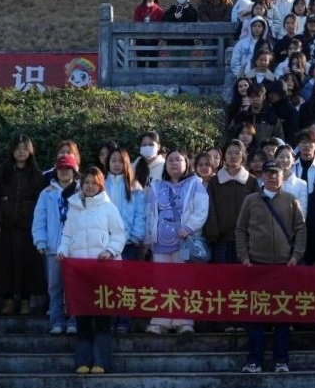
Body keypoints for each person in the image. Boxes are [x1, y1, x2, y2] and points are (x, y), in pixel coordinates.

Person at [236, 160, 307, 373]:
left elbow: (300, 228)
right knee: (255, 315)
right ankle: (254, 360)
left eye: (276, 173)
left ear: (282, 176)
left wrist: (296, 255)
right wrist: (244, 256)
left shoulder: (291, 199)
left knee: (282, 316)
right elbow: (241, 230)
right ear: (262, 177)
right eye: (268, 173)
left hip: (284, 266)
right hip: (257, 265)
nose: (272, 177)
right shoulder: (251, 200)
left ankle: (281, 360)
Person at [56, 167, 126, 375]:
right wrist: (62, 250)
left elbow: (119, 235)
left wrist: (110, 251)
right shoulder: (74, 207)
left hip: (103, 269)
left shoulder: (108, 208)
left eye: (94, 183)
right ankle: (83, 361)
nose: (89, 186)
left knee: (102, 317)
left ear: (100, 185)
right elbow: (67, 235)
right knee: (83, 317)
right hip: (80, 272)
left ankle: (101, 362)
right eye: (86, 182)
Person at [144, 149, 209, 335]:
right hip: (160, 244)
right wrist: (148, 238)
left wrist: (188, 228)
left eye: (178, 159)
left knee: (184, 282)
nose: (173, 163)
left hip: (183, 243)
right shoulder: (156, 186)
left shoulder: (195, 184)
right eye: (170, 160)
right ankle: (161, 321)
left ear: (186, 163)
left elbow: (202, 210)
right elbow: (149, 213)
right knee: (161, 282)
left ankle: (184, 321)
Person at [0, 135, 45, 316]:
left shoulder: (36, 174)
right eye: (18, 149)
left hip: (29, 228)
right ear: (12, 150)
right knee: (5, 265)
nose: (21, 152)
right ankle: (8, 301)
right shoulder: (2, 172)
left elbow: (41, 201)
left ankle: (26, 302)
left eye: (25, 149)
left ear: (30, 151)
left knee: (28, 265)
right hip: (6, 227)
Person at [32, 153, 81, 335]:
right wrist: (40, 241)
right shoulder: (47, 193)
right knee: (54, 287)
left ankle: (74, 321)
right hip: (53, 248)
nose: (64, 172)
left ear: (74, 171)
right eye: (61, 168)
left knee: (74, 286)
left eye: (68, 168)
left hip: (75, 248)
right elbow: (39, 219)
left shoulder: (81, 192)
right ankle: (57, 321)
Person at [105, 146, 146, 333]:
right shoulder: (101, 184)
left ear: (126, 163)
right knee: (107, 283)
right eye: (113, 160)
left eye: (120, 161)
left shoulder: (135, 186)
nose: (116, 164)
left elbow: (140, 214)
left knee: (126, 284)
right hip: (105, 243)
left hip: (128, 243)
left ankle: (123, 321)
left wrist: (136, 236)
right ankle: (108, 319)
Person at [204, 140, 258, 267]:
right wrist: (213, 235)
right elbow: (210, 209)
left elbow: (257, 209)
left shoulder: (251, 181)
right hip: (220, 240)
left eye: (237, 153)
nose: (233, 156)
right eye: (229, 153)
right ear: (224, 156)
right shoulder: (214, 181)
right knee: (221, 275)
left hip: (245, 239)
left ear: (243, 156)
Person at [132, 0, 165, 67]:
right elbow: (136, 22)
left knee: (153, 63)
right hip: (141, 39)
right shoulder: (139, 9)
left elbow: (160, 25)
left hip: (154, 39)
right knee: (140, 63)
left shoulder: (159, 10)